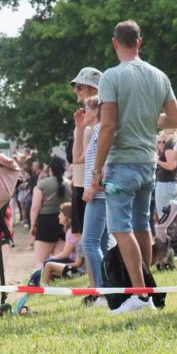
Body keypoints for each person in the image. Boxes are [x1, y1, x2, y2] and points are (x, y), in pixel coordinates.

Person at [91, 20, 177, 314]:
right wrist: (147, 120)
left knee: (120, 227)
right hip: (147, 162)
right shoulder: (159, 75)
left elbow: (108, 126)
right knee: (142, 224)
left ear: (115, 43)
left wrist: (96, 171)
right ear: (139, 42)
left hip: (122, 162)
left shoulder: (111, 77)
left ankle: (139, 295)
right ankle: (145, 288)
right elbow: (176, 119)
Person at [78, 97, 111, 305]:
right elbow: (80, 158)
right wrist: (80, 128)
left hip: (99, 194)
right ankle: (108, 287)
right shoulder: (95, 131)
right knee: (101, 243)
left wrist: (92, 187)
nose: (82, 112)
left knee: (89, 242)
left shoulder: (100, 131)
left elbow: (104, 163)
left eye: (85, 109)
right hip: (101, 194)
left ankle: (102, 291)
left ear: (95, 111)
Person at [70, 67, 102, 250]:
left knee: (92, 240)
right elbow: (77, 157)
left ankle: (97, 276)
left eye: (80, 87)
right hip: (83, 182)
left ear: (93, 89)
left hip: (92, 185)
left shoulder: (96, 123)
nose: (76, 91)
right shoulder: (85, 118)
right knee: (87, 238)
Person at [30, 155, 70, 267]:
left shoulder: (42, 184)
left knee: (41, 262)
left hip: (46, 222)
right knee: (58, 262)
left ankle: (40, 282)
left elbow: (35, 207)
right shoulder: (69, 184)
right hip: (64, 222)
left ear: (50, 169)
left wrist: (33, 225)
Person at [154, 129, 177, 217]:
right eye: (159, 142)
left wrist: (158, 161)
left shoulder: (169, 145)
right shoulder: (173, 143)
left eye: (163, 142)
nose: (161, 144)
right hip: (171, 183)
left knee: (164, 217)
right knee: (172, 218)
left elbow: (172, 165)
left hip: (165, 184)